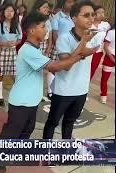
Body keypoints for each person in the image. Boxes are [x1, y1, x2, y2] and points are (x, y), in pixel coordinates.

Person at [0, 10, 98, 173]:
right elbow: (57, 66)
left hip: (31, 100)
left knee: (27, 130)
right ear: (31, 30)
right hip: (21, 101)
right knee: (12, 131)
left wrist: (82, 44)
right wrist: (81, 54)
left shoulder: (35, 49)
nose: (47, 30)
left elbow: (63, 62)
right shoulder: (28, 50)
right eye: (43, 26)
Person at [43, 0, 100, 140]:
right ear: (74, 18)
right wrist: (83, 44)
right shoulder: (64, 38)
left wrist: (87, 43)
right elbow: (66, 66)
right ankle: (45, 152)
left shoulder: (92, 36)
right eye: (86, 15)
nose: (91, 18)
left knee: (69, 123)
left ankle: (66, 150)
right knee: (53, 122)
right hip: (64, 90)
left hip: (81, 90)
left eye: (93, 14)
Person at [0, 3, 22, 106]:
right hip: (1, 51)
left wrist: (15, 43)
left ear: (14, 13)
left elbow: (20, 38)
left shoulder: (16, 25)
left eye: (12, 11)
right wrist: (4, 43)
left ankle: (18, 94)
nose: (9, 13)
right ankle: (0, 97)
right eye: (7, 11)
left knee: (15, 74)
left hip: (12, 52)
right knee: (0, 75)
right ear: (3, 12)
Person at [32, 0, 54, 101]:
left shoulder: (49, 21)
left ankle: (40, 94)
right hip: (35, 45)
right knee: (34, 71)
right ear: (38, 8)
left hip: (45, 46)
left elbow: (50, 38)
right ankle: (33, 93)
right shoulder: (33, 20)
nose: (47, 9)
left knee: (42, 72)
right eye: (44, 7)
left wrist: (47, 51)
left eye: (47, 7)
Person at [90, 5, 110, 79]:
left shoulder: (106, 25)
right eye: (99, 12)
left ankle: (85, 88)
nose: (101, 14)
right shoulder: (89, 24)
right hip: (87, 51)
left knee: (92, 71)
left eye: (103, 12)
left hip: (98, 52)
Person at [100, 25, 115, 104]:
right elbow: (106, 46)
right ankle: (103, 95)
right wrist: (112, 58)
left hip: (111, 57)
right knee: (105, 78)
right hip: (110, 56)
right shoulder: (111, 32)